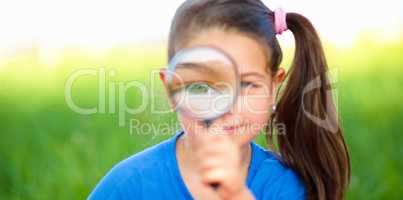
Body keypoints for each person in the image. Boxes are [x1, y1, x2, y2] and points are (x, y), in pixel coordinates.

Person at [88, 0, 350, 199]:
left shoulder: (283, 188)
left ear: (273, 87)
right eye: (201, 86)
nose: (225, 107)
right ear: (171, 91)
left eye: (247, 84)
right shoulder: (128, 186)